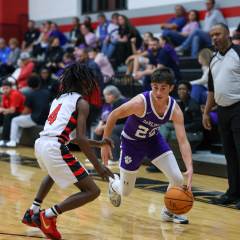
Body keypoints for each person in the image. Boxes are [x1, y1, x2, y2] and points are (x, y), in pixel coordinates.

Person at [21, 63, 114, 239]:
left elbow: (72, 137)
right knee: (92, 191)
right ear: (85, 81)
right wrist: (98, 165)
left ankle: (32, 211)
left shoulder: (59, 100)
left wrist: (99, 143)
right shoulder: (81, 102)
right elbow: (79, 139)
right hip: (54, 147)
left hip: (41, 143)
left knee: (53, 173)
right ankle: (47, 215)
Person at [101, 68, 193, 224]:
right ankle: (114, 184)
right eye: (155, 87)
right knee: (126, 191)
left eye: (163, 88)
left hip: (153, 140)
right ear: (151, 86)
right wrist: (105, 143)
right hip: (132, 143)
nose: (158, 92)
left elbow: (183, 140)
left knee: (177, 178)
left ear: (171, 88)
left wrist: (190, 166)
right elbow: (113, 115)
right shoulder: (140, 103)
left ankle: (168, 213)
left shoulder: (175, 109)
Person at [203, 23, 240, 209]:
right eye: (212, 35)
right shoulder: (214, 59)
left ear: (228, 34)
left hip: (238, 108)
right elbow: (211, 89)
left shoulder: (238, 53)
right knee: (230, 155)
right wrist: (206, 111)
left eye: (218, 34)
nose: (214, 38)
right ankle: (233, 192)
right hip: (222, 111)